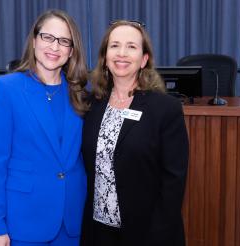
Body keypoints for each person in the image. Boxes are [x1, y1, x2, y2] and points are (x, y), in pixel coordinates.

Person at [0, 9, 89, 246]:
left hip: (73, 221)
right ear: (34, 41)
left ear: (71, 51)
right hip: (24, 222)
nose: (55, 47)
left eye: (63, 41)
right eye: (47, 37)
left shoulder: (82, 93)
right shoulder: (6, 89)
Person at [80, 20, 189, 246]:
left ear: (144, 59)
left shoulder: (165, 109)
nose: (122, 53)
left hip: (148, 233)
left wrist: (159, 234)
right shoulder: (90, 105)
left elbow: (174, 181)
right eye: (115, 46)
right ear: (105, 57)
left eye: (131, 46)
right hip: (98, 232)